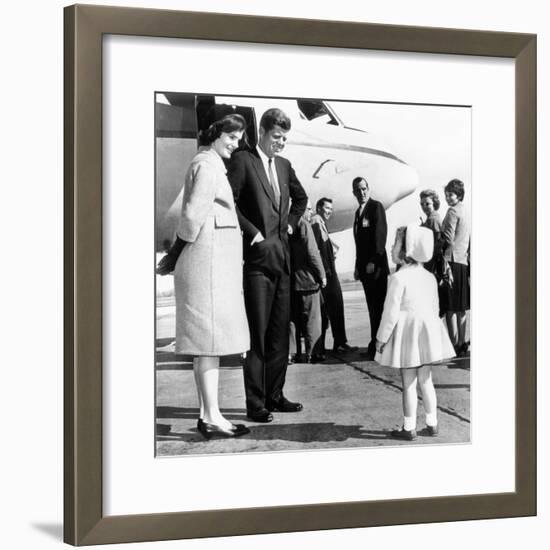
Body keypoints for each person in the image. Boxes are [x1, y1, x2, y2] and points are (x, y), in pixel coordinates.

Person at [156, 113, 250, 439]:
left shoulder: (209, 164)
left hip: (207, 268)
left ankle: (209, 414)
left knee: (206, 347)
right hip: (205, 269)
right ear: (217, 133)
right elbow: (193, 215)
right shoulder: (208, 166)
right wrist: (174, 254)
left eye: (239, 140)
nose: (236, 145)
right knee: (209, 345)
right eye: (232, 137)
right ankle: (211, 416)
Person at [228, 108, 308, 423]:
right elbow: (229, 201)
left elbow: (300, 199)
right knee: (258, 337)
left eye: (285, 138)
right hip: (258, 264)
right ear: (262, 131)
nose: (281, 143)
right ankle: (256, 402)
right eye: (277, 137)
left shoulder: (285, 166)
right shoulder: (243, 161)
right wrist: (253, 233)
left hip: (283, 261)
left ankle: (275, 396)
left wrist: (289, 222)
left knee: (278, 336)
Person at [375, 225, 455, 440]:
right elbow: (435, 308)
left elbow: (390, 313)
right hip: (427, 334)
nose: (391, 248)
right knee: (426, 380)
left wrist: (381, 339)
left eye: (395, 244)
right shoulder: (429, 277)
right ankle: (432, 422)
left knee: (408, 383)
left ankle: (408, 427)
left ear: (405, 251)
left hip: (408, 336)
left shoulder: (398, 278)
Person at [310, 197, 356, 356]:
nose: (329, 211)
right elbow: (316, 250)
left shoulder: (320, 223)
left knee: (332, 309)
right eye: (326, 208)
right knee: (333, 307)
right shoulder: (316, 222)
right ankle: (337, 344)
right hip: (326, 275)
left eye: (330, 209)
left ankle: (337, 343)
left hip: (328, 272)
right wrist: (323, 272)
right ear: (318, 208)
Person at [352, 177, 390, 360]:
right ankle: (375, 342)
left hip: (377, 269)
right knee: (372, 308)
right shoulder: (358, 213)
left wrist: (373, 260)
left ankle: (382, 345)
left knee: (380, 307)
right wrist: (357, 266)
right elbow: (359, 243)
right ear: (354, 193)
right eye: (358, 190)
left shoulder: (376, 207)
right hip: (365, 270)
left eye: (364, 188)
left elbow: (380, 236)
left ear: (369, 188)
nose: (362, 193)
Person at [289, 202, 326, 364]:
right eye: (309, 209)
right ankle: (313, 352)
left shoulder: (285, 224)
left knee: (292, 320)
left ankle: (291, 353)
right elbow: (312, 252)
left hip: (291, 282)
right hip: (308, 281)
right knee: (313, 318)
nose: (311, 213)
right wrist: (322, 274)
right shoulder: (304, 225)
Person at [440, 179, 471, 356]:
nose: (448, 198)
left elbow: (448, 238)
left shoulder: (452, 211)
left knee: (451, 306)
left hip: (450, 261)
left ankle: (453, 344)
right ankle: (461, 341)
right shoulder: (465, 211)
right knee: (461, 308)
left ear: (458, 195)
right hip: (463, 261)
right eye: (446, 195)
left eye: (451, 194)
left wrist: (437, 242)